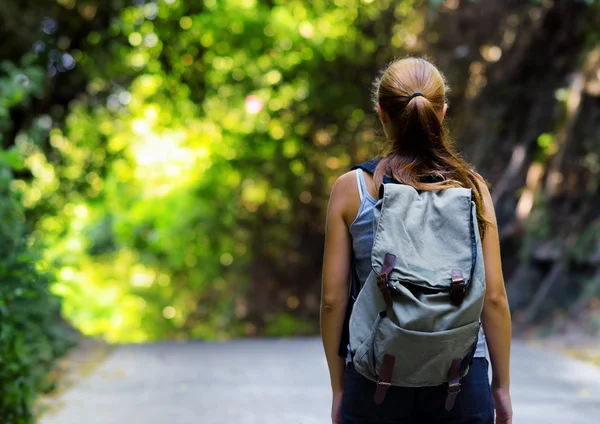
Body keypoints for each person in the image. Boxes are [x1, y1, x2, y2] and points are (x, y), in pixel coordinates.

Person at [320, 57, 513, 424]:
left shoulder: (352, 189)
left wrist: (339, 386)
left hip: (374, 377)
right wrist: (500, 387)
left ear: (381, 113)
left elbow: (332, 300)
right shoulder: (472, 187)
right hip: (460, 375)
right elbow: (493, 296)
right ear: (441, 113)